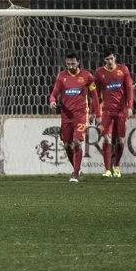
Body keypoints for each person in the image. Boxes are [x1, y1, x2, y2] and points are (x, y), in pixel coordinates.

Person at [49, 51, 98, 183]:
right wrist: (52, 100)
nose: (70, 65)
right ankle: (76, 168)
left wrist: (95, 113)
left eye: (73, 62)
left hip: (81, 115)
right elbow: (54, 92)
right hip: (66, 116)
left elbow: (94, 96)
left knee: (76, 143)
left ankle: (75, 173)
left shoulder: (87, 76)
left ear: (78, 62)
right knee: (66, 145)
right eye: (68, 63)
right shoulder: (61, 77)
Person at [93, 48, 134, 178]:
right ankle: (107, 170)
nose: (110, 61)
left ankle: (116, 166)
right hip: (107, 111)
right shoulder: (99, 73)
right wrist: (95, 112)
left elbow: (129, 89)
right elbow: (96, 95)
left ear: (115, 57)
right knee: (106, 138)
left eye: (111, 58)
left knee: (120, 140)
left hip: (121, 111)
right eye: (107, 59)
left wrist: (130, 106)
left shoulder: (123, 70)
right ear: (104, 60)